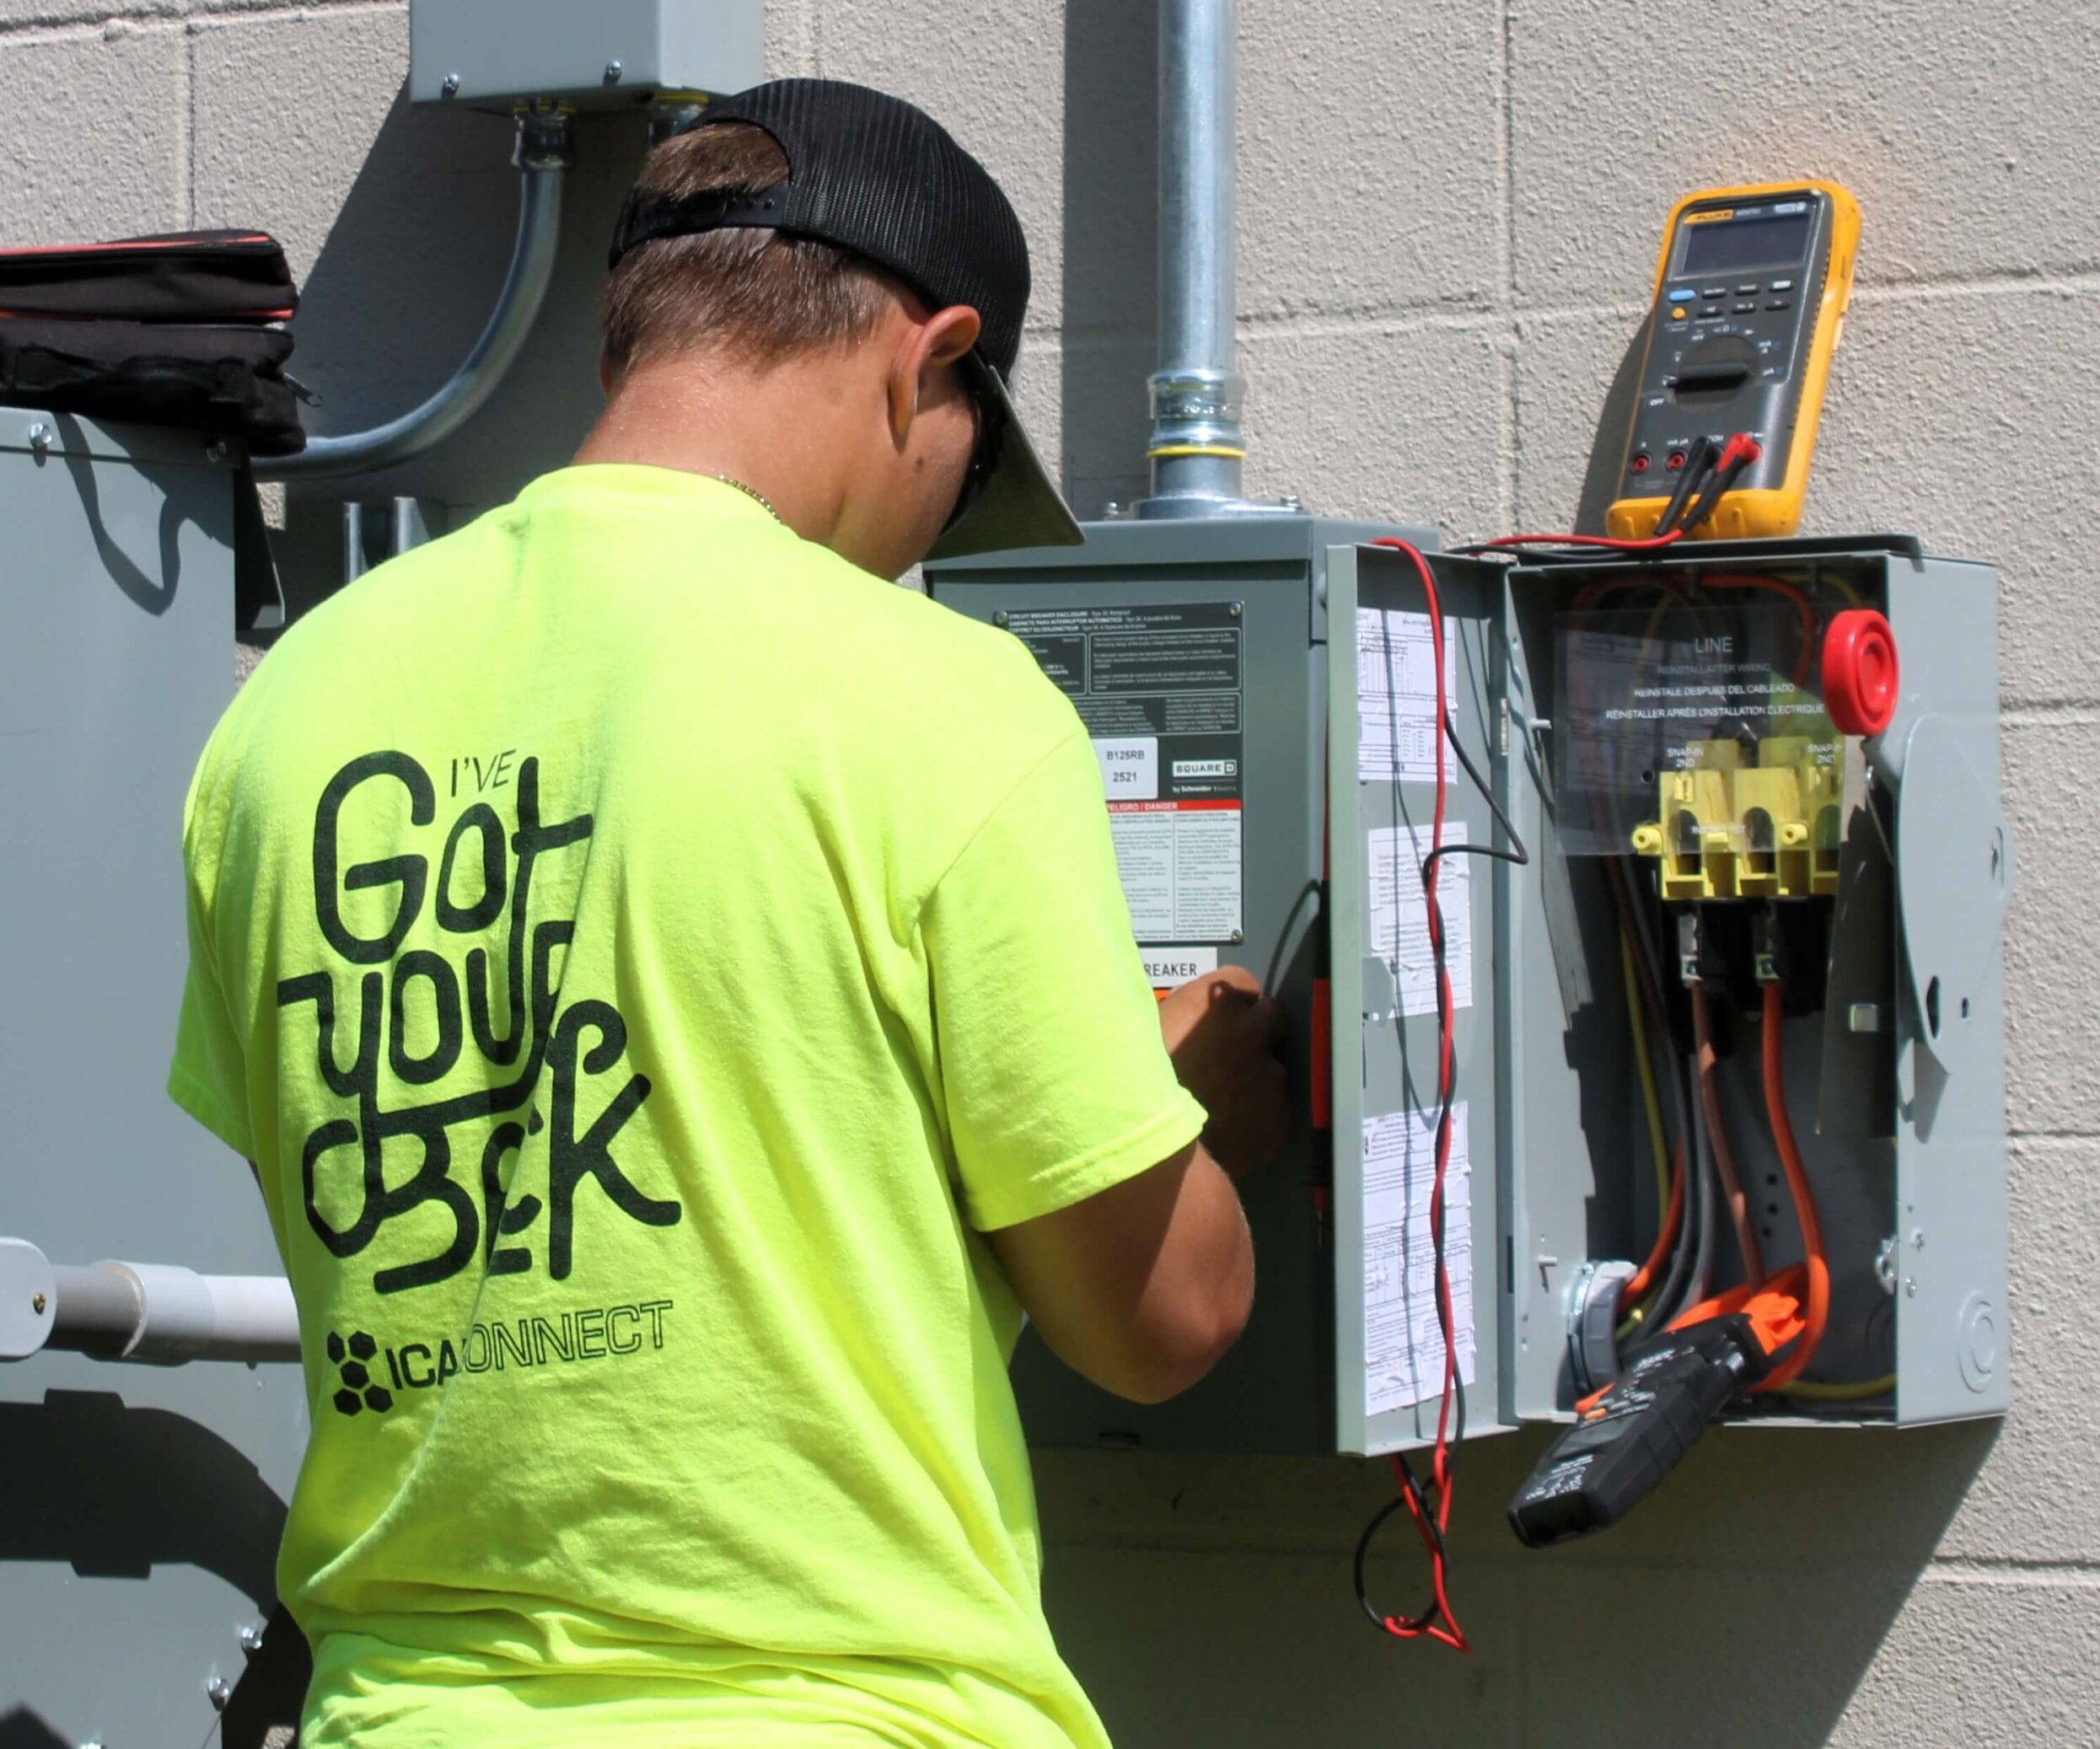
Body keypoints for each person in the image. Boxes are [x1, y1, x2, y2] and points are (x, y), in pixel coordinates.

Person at [169, 77, 1289, 1748]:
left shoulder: (291, 710)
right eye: (970, 470)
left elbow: (397, 1222)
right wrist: (1173, 1128)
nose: (936, 529)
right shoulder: (938, 698)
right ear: (926, 363)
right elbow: (1162, 1322)